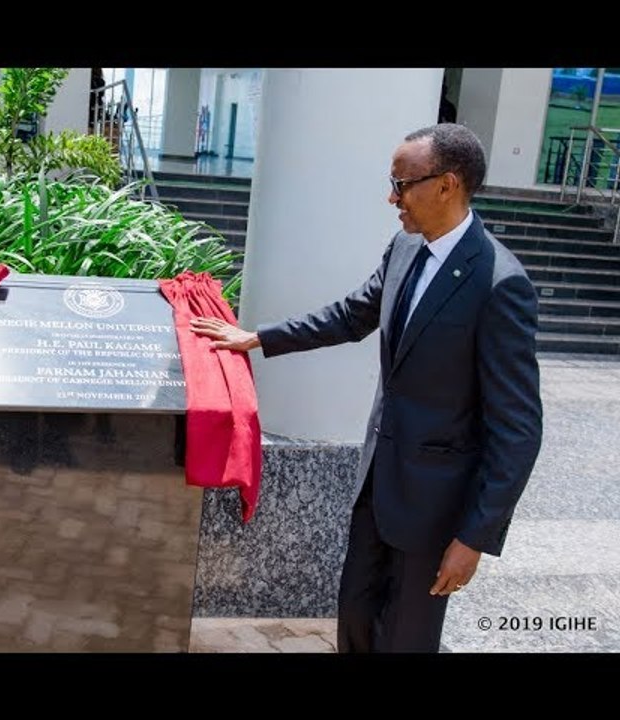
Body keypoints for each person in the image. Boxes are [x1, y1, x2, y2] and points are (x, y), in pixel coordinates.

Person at [191, 123, 543, 653]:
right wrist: (258, 338)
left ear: (447, 185)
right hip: (376, 492)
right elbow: (351, 315)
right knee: (353, 623)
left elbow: (518, 431)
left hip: (433, 512)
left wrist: (473, 538)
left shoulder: (500, 285)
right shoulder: (404, 248)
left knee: (405, 640)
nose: (391, 196)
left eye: (402, 184)